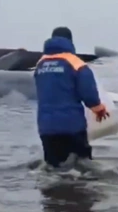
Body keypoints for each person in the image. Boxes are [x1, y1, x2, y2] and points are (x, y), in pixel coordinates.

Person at [34, 26, 110, 168]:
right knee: (82, 167)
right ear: (70, 41)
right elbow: (88, 92)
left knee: (53, 168)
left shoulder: (40, 64)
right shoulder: (75, 63)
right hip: (71, 126)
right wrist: (99, 109)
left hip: (46, 128)